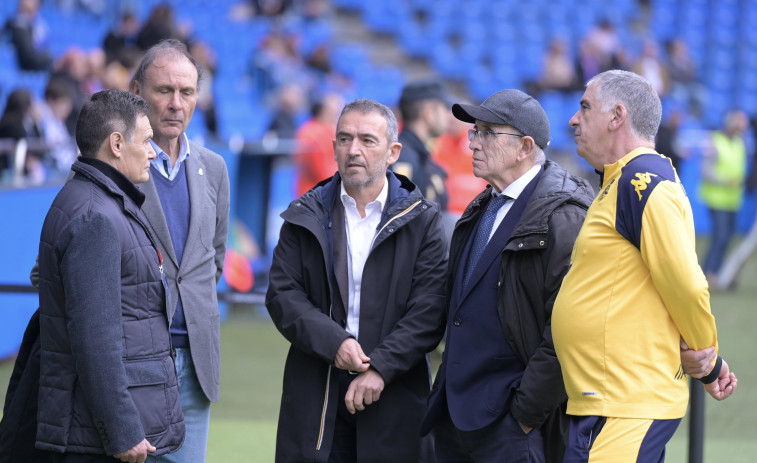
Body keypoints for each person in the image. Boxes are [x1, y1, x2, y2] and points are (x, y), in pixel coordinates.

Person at [553, 70, 738, 462]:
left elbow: (685, 283)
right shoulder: (621, 180)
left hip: (629, 403)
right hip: (607, 400)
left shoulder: (644, 180)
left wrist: (707, 355)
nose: (573, 118)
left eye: (585, 107)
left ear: (617, 116)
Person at [266, 98, 448, 462]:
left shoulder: (423, 220)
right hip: (318, 393)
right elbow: (283, 296)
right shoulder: (304, 213)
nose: (354, 150)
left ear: (393, 151)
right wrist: (336, 343)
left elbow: (430, 308)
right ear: (333, 147)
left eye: (368, 140)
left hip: (395, 394)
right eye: (345, 139)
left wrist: (381, 367)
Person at [420, 89, 595, 463]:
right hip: (456, 417)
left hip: (510, 427)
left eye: (486, 132)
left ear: (524, 147)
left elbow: (573, 331)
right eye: (474, 132)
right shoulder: (485, 202)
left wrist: (524, 415)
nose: (473, 143)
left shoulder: (564, 216)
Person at [35, 89, 184, 462]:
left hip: (94, 430)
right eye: (147, 141)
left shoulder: (97, 201)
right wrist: (122, 432)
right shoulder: (95, 216)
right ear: (116, 143)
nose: (153, 152)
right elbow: (95, 339)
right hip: (98, 440)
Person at [129, 38, 231, 463]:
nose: (176, 103)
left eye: (186, 92)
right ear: (136, 94)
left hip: (196, 368)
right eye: (164, 90)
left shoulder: (214, 168)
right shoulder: (112, 166)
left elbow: (213, 263)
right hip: (132, 366)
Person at [699, 109, 749, 286]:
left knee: (727, 238)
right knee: (720, 236)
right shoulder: (715, 141)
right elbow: (705, 171)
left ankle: (718, 274)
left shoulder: (740, 143)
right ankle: (707, 272)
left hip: (732, 201)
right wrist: (724, 181)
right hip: (716, 198)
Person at [392, 80, 451, 212]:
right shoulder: (404, 158)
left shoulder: (418, 156)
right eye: (445, 108)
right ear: (429, 113)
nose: (448, 116)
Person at [294, 92, 343, 196]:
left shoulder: (332, 131)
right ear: (323, 111)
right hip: (314, 196)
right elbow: (321, 172)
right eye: (335, 112)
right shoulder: (310, 133)